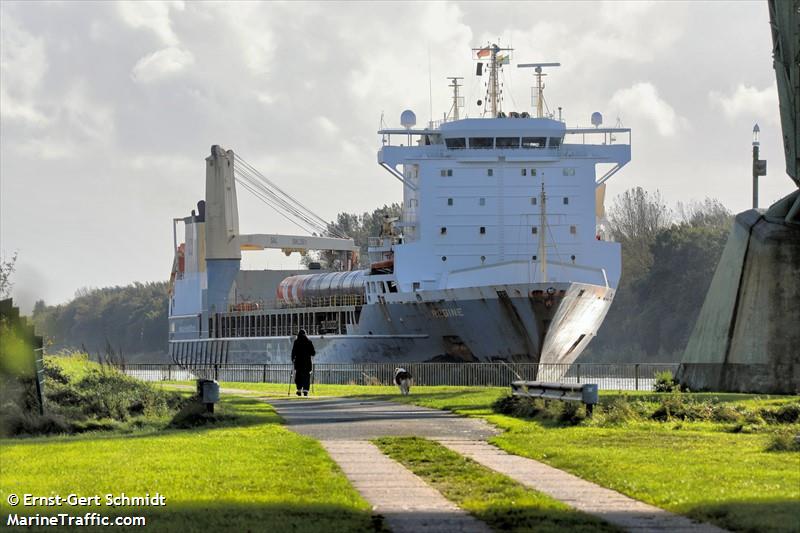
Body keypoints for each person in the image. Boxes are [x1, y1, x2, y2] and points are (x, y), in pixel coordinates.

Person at [291, 329, 315, 396]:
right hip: (307, 363)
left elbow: (293, 352)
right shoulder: (309, 342)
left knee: (298, 377)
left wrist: (292, 359)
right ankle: (305, 391)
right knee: (306, 377)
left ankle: (299, 390)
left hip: (298, 363)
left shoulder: (296, 342)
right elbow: (313, 353)